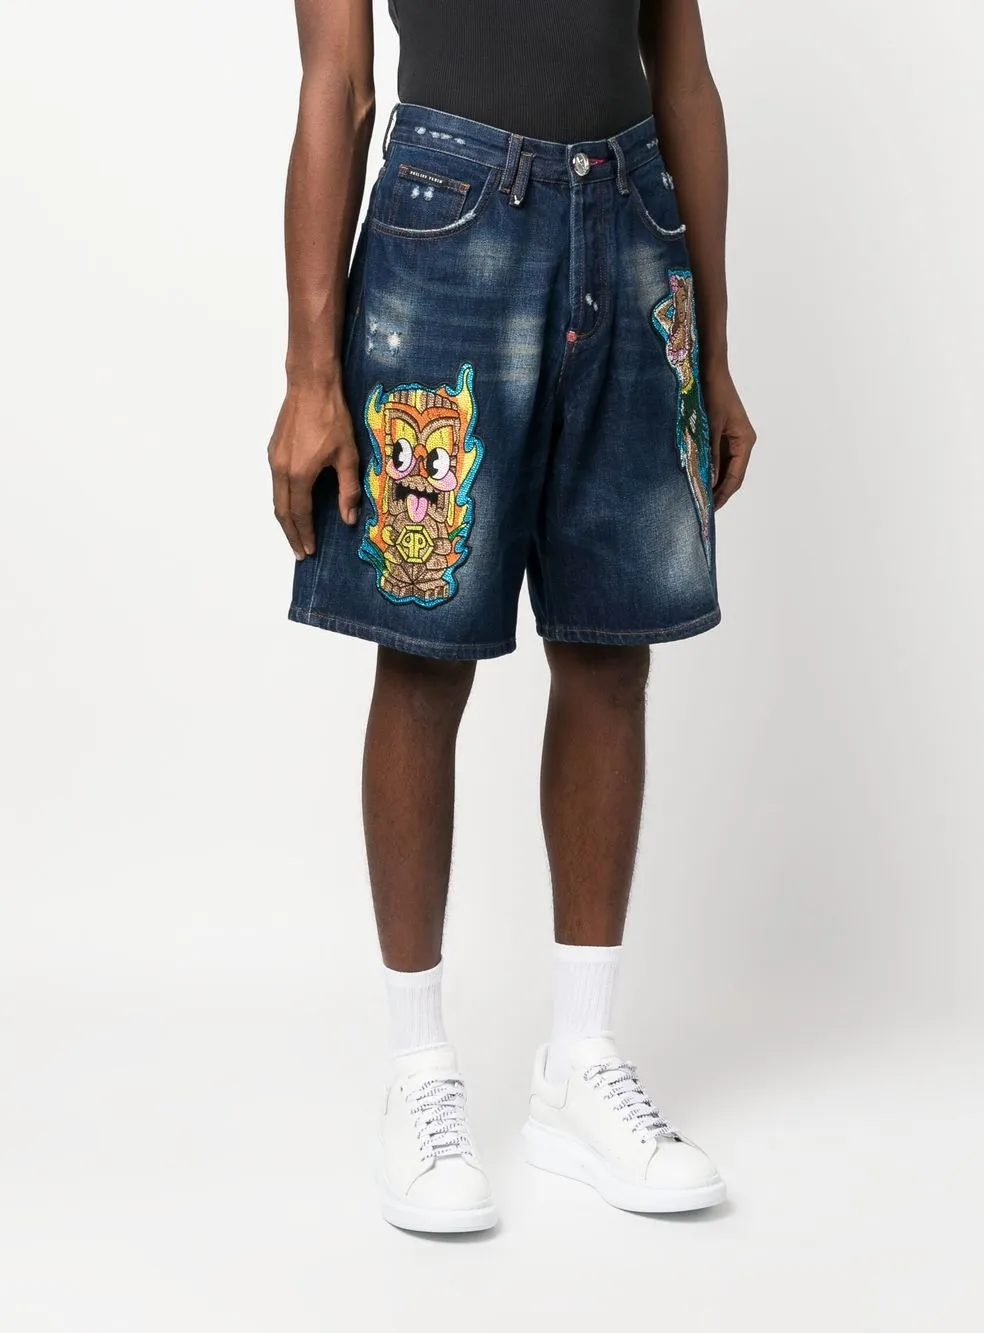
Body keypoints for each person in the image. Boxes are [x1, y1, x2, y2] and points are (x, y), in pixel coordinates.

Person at [267, 0, 756, 1233]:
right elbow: (338, 86)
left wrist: (714, 341)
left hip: (633, 226)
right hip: (449, 222)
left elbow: (683, 75)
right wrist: (309, 375)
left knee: (610, 650)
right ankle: (417, 1069)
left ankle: (578, 1063)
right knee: (423, 657)